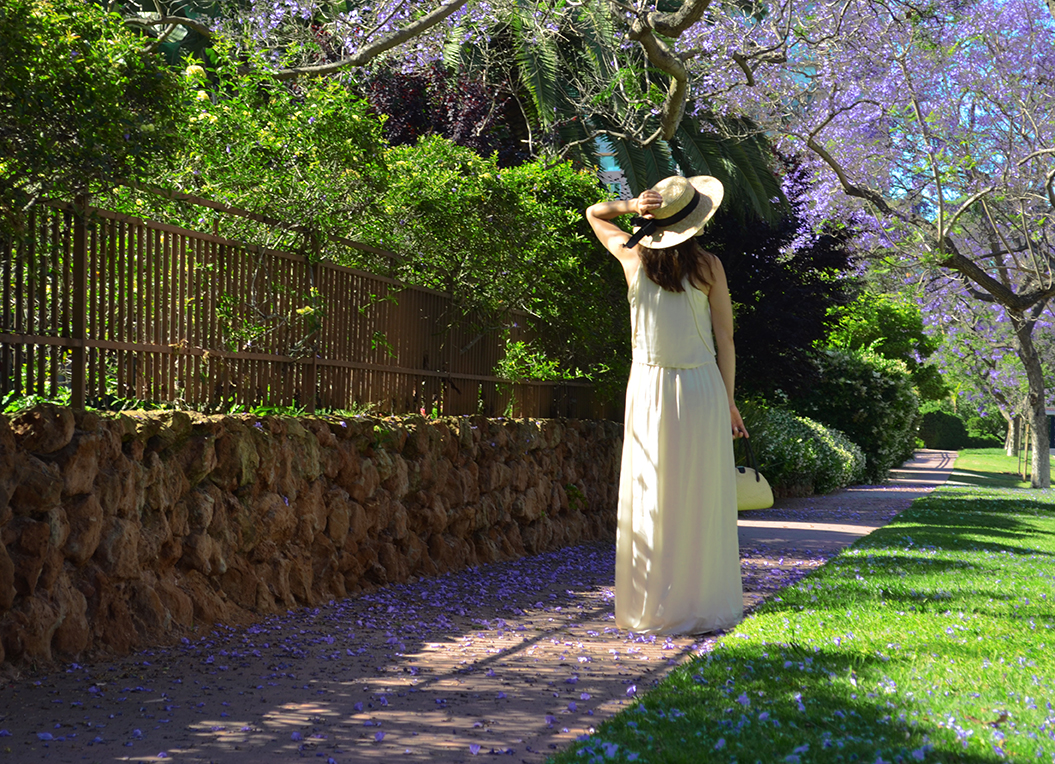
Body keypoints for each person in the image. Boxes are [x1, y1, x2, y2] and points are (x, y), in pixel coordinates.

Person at [585, 175, 746, 635]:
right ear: (696, 221)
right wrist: (729, 401)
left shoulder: (631, 257)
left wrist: (631, 205)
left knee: (651, 493)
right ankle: (701, 603)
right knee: (701, 496)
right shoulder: (710, 266)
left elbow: (595, 212)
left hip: (650, 389)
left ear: (656, 219)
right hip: (702, 387)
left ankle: (652, 608)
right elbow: (725, 339)